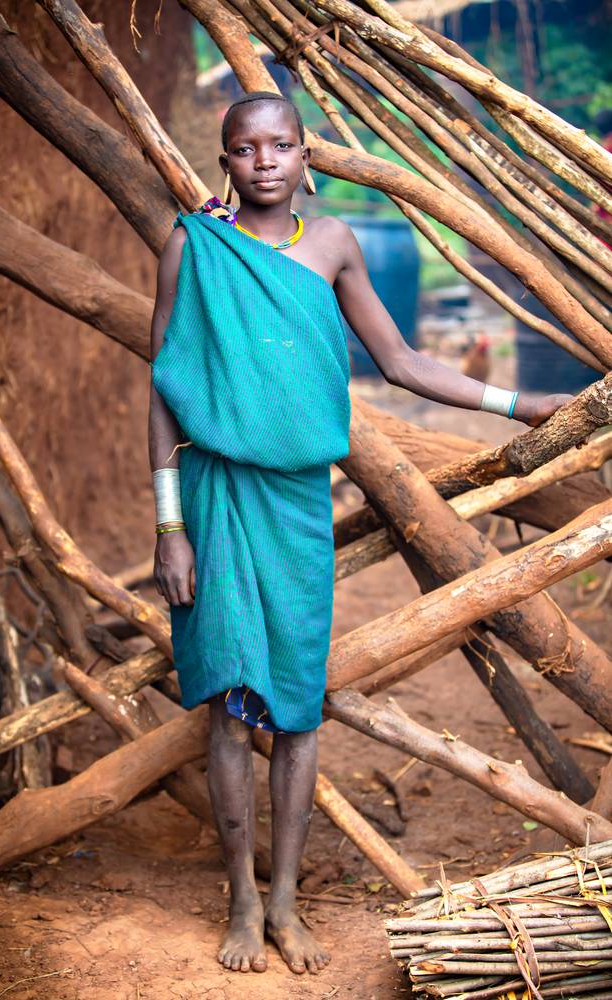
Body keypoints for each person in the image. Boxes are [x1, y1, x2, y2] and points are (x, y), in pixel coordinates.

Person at [148, 91, 569, 977]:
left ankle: (289, 903)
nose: (264, 160)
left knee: (295, 703)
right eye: (245, 147)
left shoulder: (334, 245)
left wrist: (520, 403)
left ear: (306, 157)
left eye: (282, 145)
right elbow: (163, 385)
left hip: (296, 500)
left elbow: (403, 361)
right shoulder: (193, 244)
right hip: (215, 496)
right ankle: (241, 900)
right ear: (223, 160)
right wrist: (168, 527)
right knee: (227, 704)